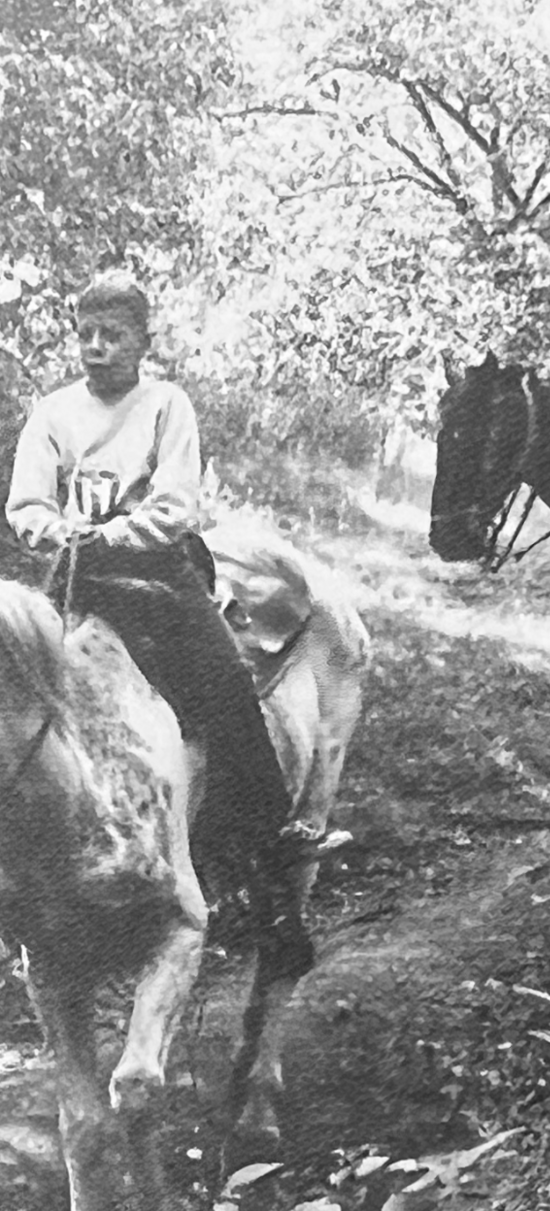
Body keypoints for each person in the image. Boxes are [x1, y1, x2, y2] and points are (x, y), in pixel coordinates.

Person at [5, 270, 313, 975]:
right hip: (76, 575)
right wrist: (50, 529)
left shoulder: (166, 405)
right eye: (85, 333)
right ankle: (32, 870)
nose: (95, 348)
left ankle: (270, 833)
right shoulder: (53, 413)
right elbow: (25, 503)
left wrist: (114, 533)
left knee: (228, 681)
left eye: (112, 335)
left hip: (156, 575)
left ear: (144, 340)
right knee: (27, 693)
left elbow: (175, 503)